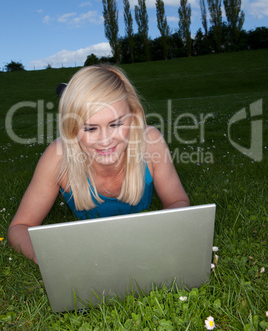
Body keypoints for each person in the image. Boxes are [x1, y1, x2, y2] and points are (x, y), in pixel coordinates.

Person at [8, 65, 190, 264]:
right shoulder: (58, 157)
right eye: (91, 128)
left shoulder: (150, 142)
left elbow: (177, 202)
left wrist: (152, 236)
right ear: (72, 130)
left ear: (134, 116)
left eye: (116, 124)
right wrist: (42, 255)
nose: (105, 140)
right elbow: (20, 226)